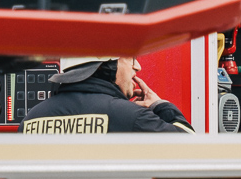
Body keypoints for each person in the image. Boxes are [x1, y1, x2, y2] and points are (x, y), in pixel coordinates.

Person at [19, 57, 194, 134]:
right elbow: (189, 148)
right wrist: (160, 106)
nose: (137, 67)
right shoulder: (132, 117)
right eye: (130, 58)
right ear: (107, 65)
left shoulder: (29, 121)